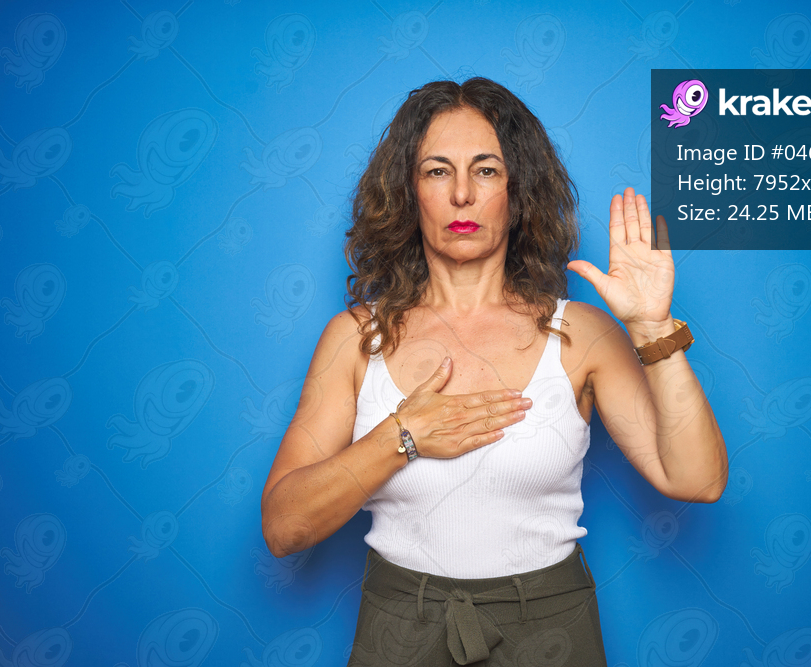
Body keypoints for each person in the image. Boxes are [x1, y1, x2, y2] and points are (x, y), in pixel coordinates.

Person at [260, 77, 728, 666]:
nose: (461, 194)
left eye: (485, 170)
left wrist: (652, 329)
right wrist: (400, 438)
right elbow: (283, 528)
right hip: (399, 627)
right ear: (409, 193)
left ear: (519, 191)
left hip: (551, 628)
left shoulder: (580, 333)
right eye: (436, 171)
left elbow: (697, 481)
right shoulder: (356, 337)